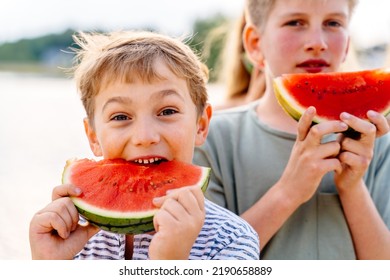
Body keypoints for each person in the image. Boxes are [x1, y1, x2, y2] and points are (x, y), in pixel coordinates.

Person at [29, 30, 260, 260]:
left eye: (167, 111)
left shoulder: (232, 240)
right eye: (120, 117)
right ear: (93, 137)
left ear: (200, 125)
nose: (145, 136)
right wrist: (47, 263)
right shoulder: (70, 238)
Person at [194, 0, 390, 259]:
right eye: (295, 22)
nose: (318, 41)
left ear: (347, 45)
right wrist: (288, 192)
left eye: (333, 23)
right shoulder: (211, 141)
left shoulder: (379, 141)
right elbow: (203, 264)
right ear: (255, 43)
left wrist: (353, 188)